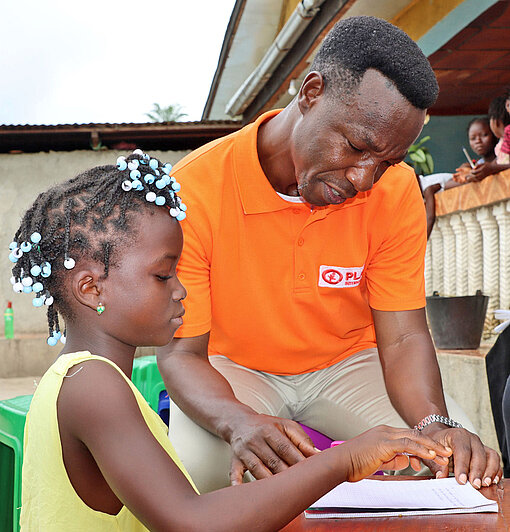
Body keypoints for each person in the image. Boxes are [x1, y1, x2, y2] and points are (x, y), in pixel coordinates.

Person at [12, 151, 454, 531]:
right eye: (164, 275)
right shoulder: (93, 387)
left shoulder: (89, 378)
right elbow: (193, 522)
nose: (181, 290)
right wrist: (343, 460)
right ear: (91, 289)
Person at [156, 16, 501, 494]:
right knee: (201, 479)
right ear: (311, 91)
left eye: (386, 163)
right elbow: (180, 353)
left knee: (455, 467)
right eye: (357, 146)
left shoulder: (397, 192)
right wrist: (238, 422)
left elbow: (402, 338)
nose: (363, 180)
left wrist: (435, 423)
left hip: (351, 365)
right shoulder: (193, 189)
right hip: (233, 371)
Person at [421, 117, 498, 237]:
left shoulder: (502, 158)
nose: (478, 141)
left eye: (484, 135)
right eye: (473, 138)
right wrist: (467, 176)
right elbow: (448, 185)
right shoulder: (475, 166)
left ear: (495, 132)